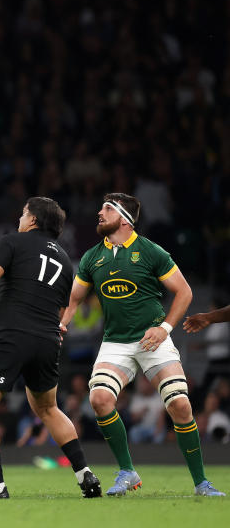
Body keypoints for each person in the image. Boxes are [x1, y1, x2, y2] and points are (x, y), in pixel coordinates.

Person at [60, 193, 224, 497]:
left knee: (180, 404)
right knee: (98, 400)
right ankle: (127, 471)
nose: (99, 212)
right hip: (116, 343)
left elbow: (184, 292)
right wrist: (63, 322)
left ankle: (201, 483)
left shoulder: (151, 251)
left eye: (107, 208)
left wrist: (164, 328)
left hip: (153, 340)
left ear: (124, 219)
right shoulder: (91, 256)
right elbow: (74, 299)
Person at [0, 198, 102, 499]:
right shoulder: (65, 259)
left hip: (13, 334)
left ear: (34, 219)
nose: (20, 219)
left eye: (24, 214)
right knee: (48, 408)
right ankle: (84, 474)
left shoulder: (12, 241)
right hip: (48, 340)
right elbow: (65, 306)